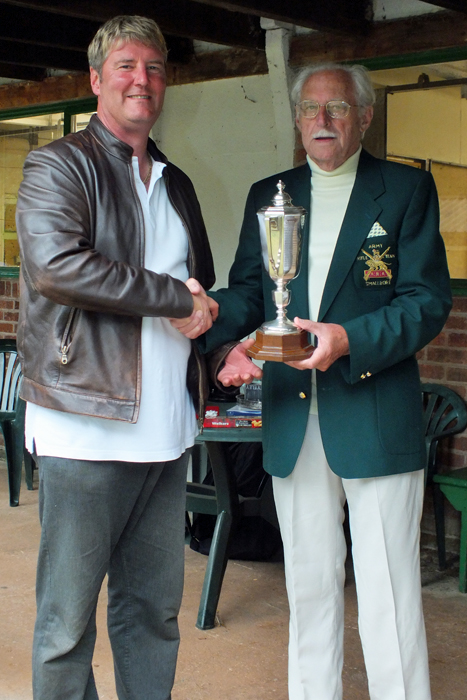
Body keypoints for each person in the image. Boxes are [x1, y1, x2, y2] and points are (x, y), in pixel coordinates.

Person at [187, 63, 452, 700]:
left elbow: (425, 301)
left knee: (388, 592)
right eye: (310, 109)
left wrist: (349, 340)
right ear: (298, 120)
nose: (322, 121)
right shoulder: (269, 194)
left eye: (337, 108)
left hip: (375, 413)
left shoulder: (406, 191)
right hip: (291, 416)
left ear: (364, 117)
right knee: (308, 583)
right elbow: (255, 292)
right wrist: (214, 319)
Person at [16, 15, 217, 700]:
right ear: (97, 79)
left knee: (152, 616)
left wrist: (223, 343)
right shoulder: (56, 164)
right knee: (66, 625)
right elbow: (57, 268)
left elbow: (199, 294)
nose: (143, 79)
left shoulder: (176, 182)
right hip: (84, 426)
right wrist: (173, 298)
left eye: (155, 68)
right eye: (127, 66)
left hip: (164, 433)